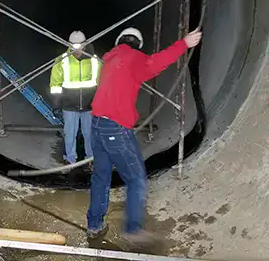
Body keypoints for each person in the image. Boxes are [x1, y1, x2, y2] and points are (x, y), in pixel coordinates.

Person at [86, 27, 202, 245]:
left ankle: (94, 225)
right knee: (136, 179)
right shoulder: (134, 59)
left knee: (100, 177)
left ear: (120, 41)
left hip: (97, 124)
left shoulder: (109, 59)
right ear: (138, 44)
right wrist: (184, 43)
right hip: (115, 127)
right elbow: (157, 62)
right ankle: (133, 229)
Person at [50, 31, 102, 169]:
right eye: (74, 47)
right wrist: (56, 102)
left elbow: (101, 82)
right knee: (69, 133)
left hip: (89, 104)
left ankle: (89, 159)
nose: (77, 50)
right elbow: (55, 82)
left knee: (89, 133)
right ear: (69, 45)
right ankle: (70, 159)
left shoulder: (94, 60)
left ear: (85, 45)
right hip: (69, 104)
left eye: (80, 46)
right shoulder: (62, 60)